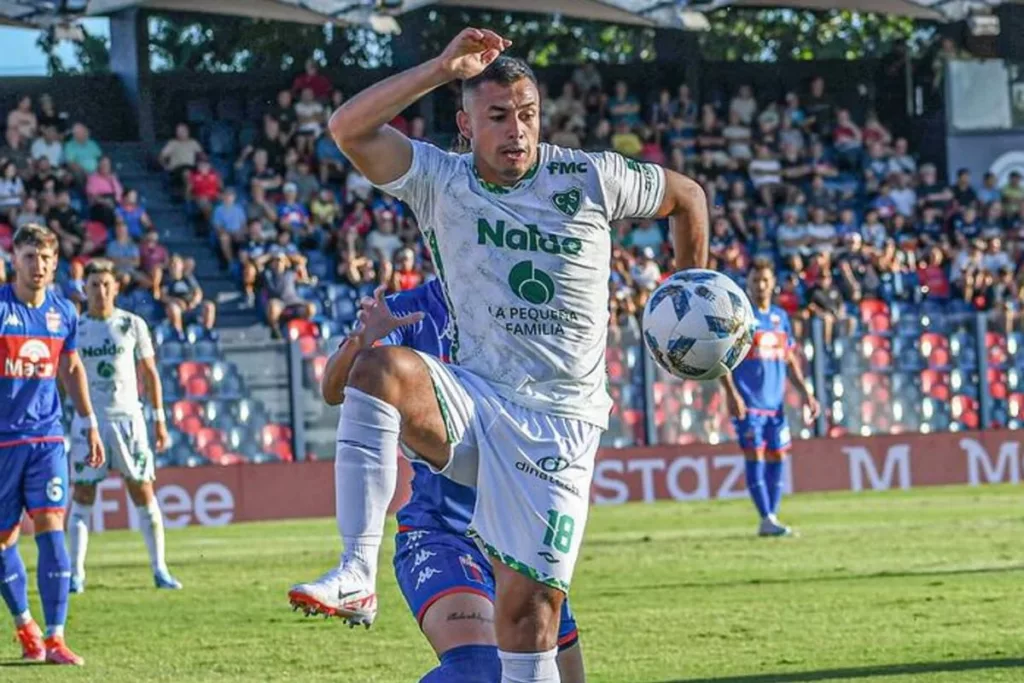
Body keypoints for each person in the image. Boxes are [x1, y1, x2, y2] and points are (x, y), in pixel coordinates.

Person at [288, 29, 708, 683]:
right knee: (380, 371)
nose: (518, 130)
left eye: (528, 114)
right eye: (499, 116)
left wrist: (688, 294)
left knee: (528, 622)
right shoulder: (441, 181)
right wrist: (438, 67)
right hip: (477, 401)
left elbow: (688, 197)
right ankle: (355, 570)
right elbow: (348, 129)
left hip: (561, 424)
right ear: (465, 124)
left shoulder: (590, 175)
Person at [300, 281, 586, 682]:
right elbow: (334, 390)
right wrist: (363, 339)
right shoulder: (411, 310)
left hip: (524, 529)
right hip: (443, 532)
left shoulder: (527, 301)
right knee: (480, 670)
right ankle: (356, 572)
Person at [0, 224, 104, 666]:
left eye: (45, 258)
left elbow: (73, 367)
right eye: (29, 257)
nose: (37, 266)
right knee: (4, 541)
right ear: (14, 260)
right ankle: (26, 626)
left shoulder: (64, 313)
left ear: (55, 263)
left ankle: (57, 636)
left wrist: (89, 420)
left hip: (46, 438)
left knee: (51, 527)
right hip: (3, 443)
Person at [66, 259, 182, 594]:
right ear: (84, 290)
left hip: (129, 420)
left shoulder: (132, 324)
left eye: (106, 284)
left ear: (116, 287)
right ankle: (76, 574)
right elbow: (66, 375)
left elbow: (149, 374)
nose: (100, 291)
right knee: (83, 494)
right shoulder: (76, 328)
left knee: (142, 491)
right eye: (94, 285)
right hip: (89, 423)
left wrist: (159, 421)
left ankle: (160, 569)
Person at [720, 259, 820, 537]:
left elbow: (789, 360)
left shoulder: (779, 317)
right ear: (748, 284)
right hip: (749, 402)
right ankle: (766, 517)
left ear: (773, 283)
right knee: (756, 454)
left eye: (765, 280)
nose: (760, 286)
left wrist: (806, 393)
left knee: (778, 455)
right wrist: (732, 394)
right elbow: (723, 360)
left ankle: (771, 518)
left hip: (775, 404)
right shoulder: (740, 319)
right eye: (755, 281)